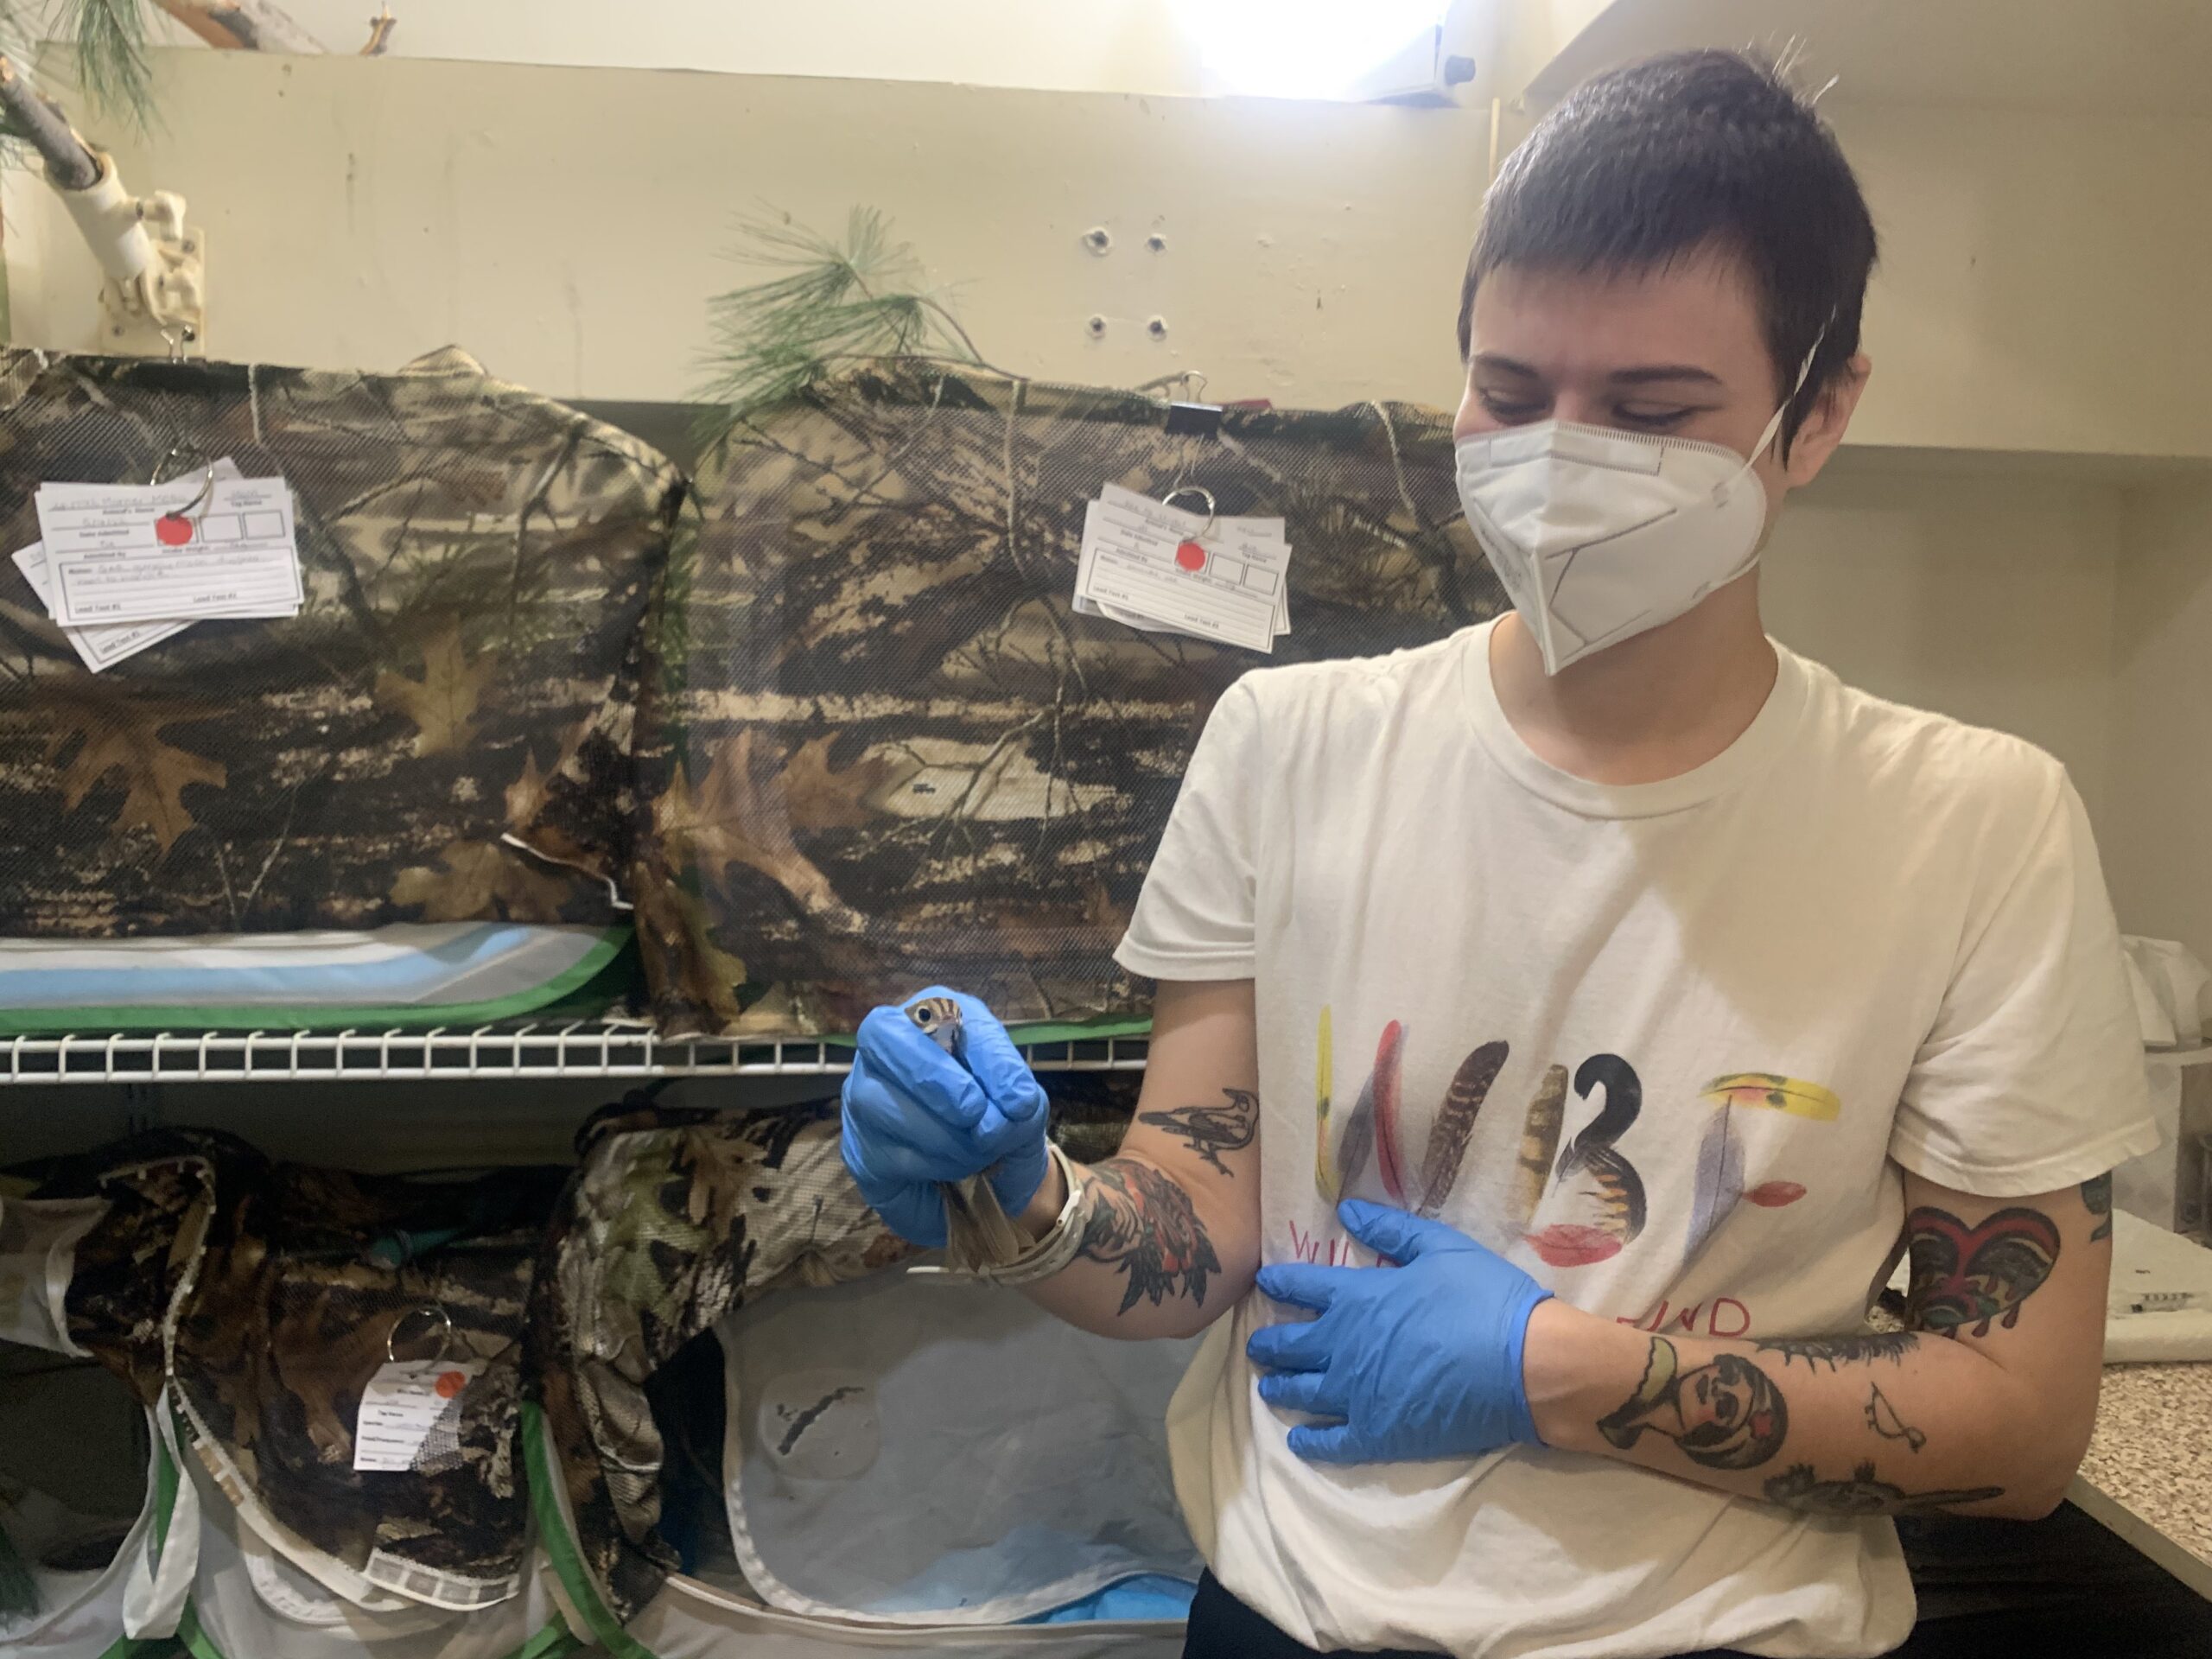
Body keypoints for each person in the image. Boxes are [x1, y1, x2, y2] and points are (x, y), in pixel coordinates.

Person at [839, 48, 2171, 1659]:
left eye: (1654, 411)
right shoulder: (1289, 743)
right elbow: (1198, 1229)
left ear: (1819, 415)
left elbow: (2021, 1430)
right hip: (1290, 1615)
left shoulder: (1973, 825)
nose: (1558, 463)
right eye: (1513, 393)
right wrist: (1025, 1197)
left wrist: (1557, 1372)